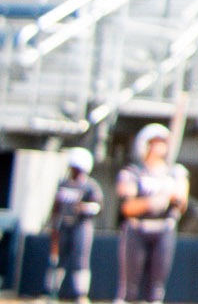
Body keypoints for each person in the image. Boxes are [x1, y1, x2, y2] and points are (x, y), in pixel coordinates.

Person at [115, 123, 187, 304]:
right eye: (155, 142)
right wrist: (152, 202)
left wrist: (175, 195)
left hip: (163, 229)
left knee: (156, 289)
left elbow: (181, 204)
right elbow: (127, 208)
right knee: (130, 288)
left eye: (162, 142)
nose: (159, 147)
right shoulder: (133, 172)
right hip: (138, 229)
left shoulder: (175, 173)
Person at [43, 148, 102, 304]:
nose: (74, 171)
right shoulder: (64, 183)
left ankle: (80, 295)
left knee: (80, 260)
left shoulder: (90, 186)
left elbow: (98, 207)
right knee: (57, 259)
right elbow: (56, 205)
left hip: (81, 225)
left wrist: (84, 207)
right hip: (64, 225)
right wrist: (52, 224)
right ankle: (51, 292)